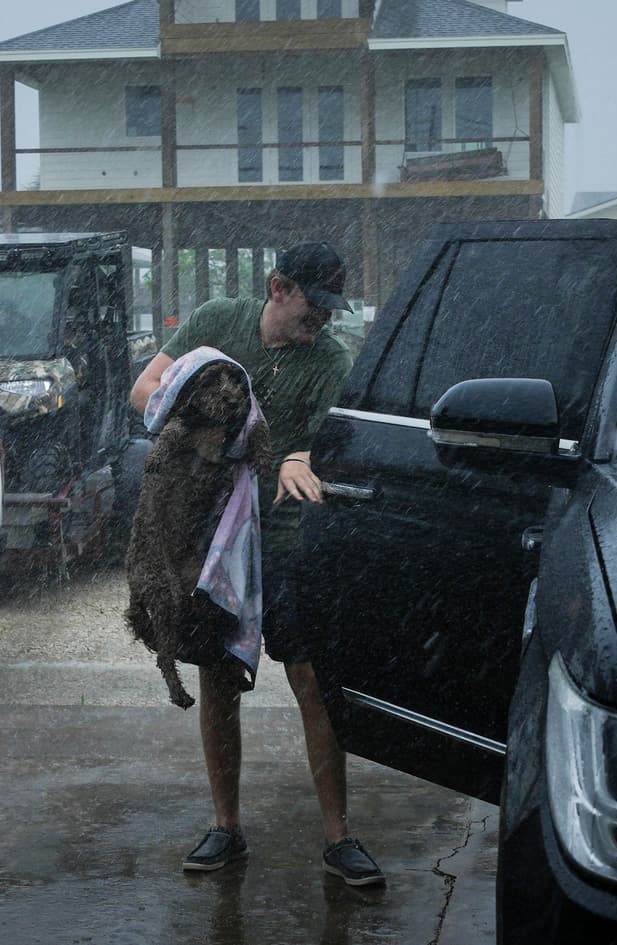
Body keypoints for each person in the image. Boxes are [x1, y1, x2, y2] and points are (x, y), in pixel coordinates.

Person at [129, 241, 384, 885]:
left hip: (289, 541)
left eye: (331, 307)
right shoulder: (216, 323)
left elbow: (326, 441)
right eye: (312, 303)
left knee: (312, 682)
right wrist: (214, 419)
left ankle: (338, 836)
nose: (321, 318)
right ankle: (226, 828)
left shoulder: (329, 359)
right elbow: (145, 390)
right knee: (217, 681)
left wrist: (302, 457)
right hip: (212, 538)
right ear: (277, 287)